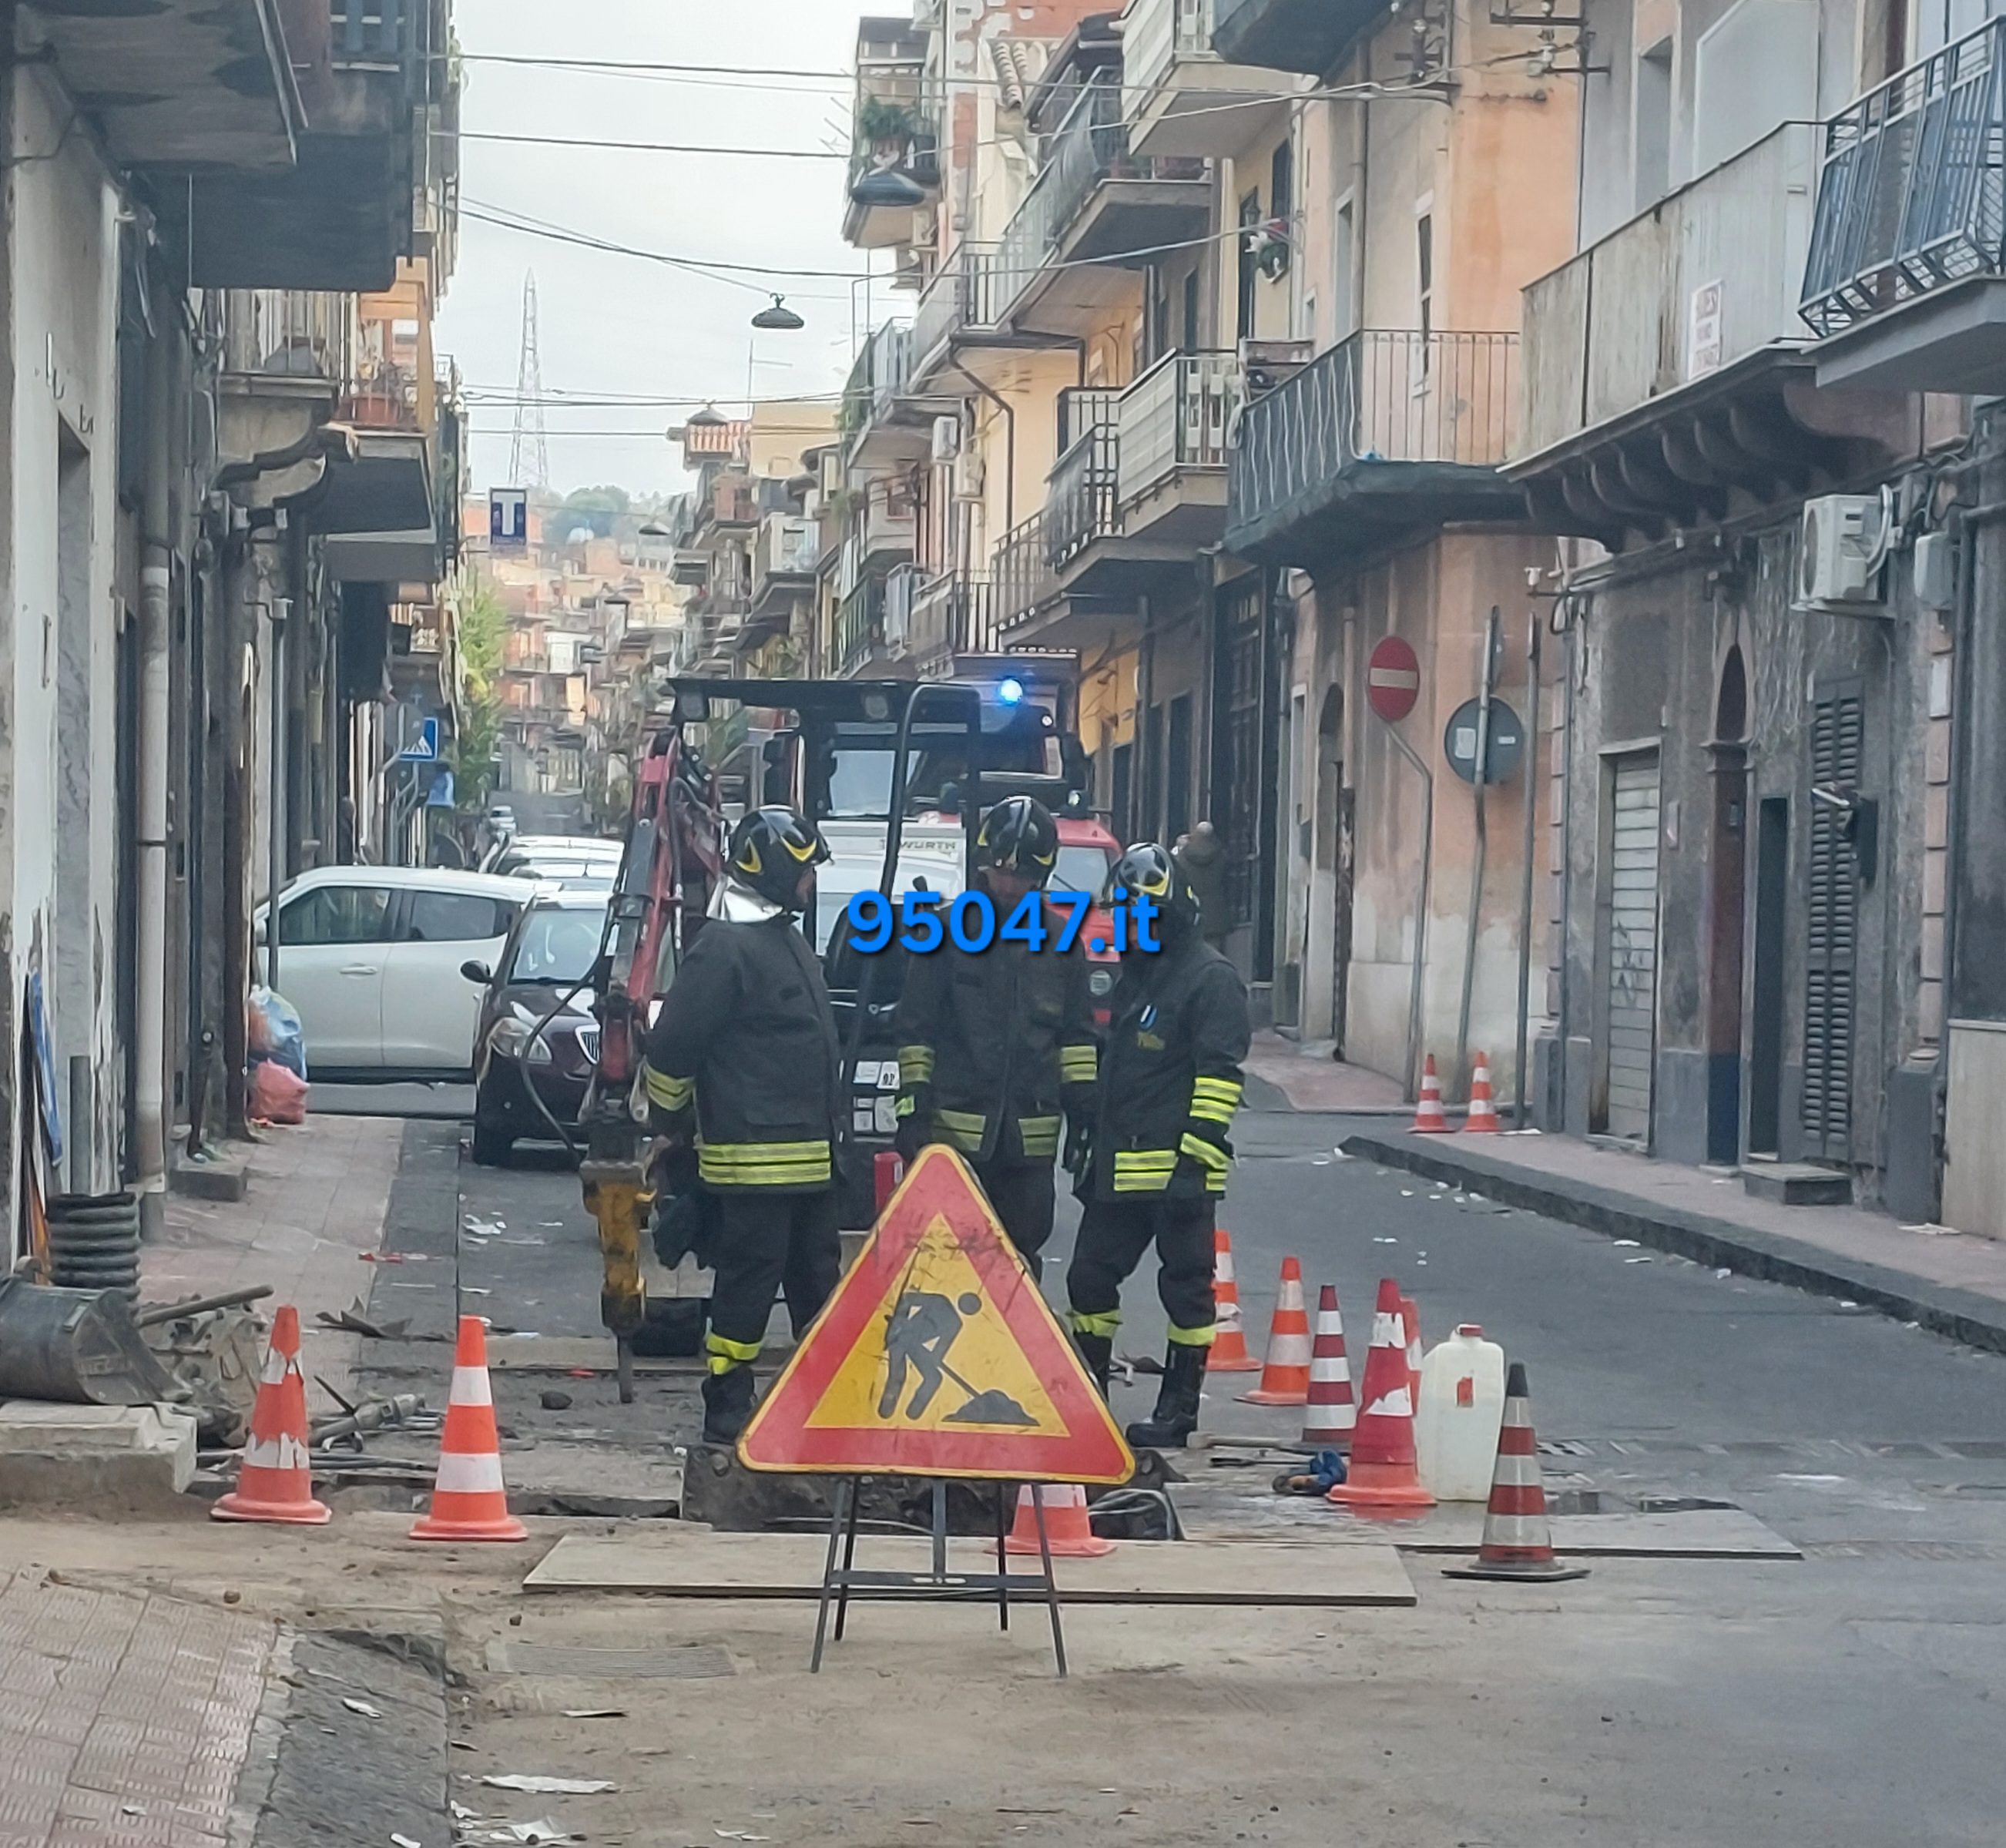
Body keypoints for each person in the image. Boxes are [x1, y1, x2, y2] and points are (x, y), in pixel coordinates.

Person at [641, 806, 841, 1446]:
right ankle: (728, 1408)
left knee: (820, 1289)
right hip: (752, 1164)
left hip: (812, 1165)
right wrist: (669, 1123)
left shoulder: (788, 943)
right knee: (747, 1290)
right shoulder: (724, 948)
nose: (811, 884)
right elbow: (671, 1049)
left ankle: (823, 1410)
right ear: (779, 871)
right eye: (805, 871)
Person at [1066, 840, 1251, 1449]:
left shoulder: (1209, 979)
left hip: (1175, 1174)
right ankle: (1090, 1394)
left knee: (1187, 1289)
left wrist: (1193, 1164)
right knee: (1090, 1280)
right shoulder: (1135, 977)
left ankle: (1178, 1409)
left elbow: (1218, 1076)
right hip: (1118, 1171)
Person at [893, 794, 1098, 1278]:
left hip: (1029, 1142)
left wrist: (1085, 1113)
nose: (1009, 885)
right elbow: (914, 1028)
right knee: (947, 1259)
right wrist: (913, 1107)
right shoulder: (943, 933)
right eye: (1001, 872)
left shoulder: (1062, 942)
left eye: (1022, 875)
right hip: (953, 1141)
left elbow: (1076, 1038)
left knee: (1020, 1260)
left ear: (1042, 876)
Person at [1173, 820, 1229, 951]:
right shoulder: (1221, 855)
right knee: (1215, 948)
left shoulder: (1183, 856)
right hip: (1215, 910)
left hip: (1192, 908)